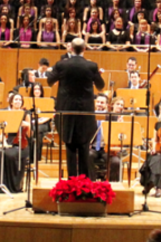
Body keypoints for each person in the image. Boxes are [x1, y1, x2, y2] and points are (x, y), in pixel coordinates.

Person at [47, 38, 105, 179]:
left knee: (70, 147)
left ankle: (71, 181)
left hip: (67, 112)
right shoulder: (91, 66)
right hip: (85, 113)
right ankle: (84, 183)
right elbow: (101, 86)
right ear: (84, 49)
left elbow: (49, 82)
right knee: (84, 146)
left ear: (71, 49)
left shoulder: (61, 65)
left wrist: (52, 71)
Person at [0, 93, 31, 193]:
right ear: (11, 102)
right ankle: (0, 185)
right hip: (7, 140)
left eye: (20, 100)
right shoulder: (6, 114)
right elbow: (0, 130)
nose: (18, 102)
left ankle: (13, 186)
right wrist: (3, 141)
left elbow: (30, 135)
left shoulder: (25, 114)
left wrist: (28, 125)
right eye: (16, 100)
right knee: (1, 154)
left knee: (10, 155)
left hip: (21, 143)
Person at [89, 94, 121, 182]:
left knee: (116, 162)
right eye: (98, 102)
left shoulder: (113, 117)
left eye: (102, 102)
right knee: (87, 156)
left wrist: (120, 125)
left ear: (107, 105)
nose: (99, 104)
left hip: (107, 148)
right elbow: (84, 132)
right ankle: (91, 183)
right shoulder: (90, 116)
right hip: (93, 147)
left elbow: (118, 135)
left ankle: (111, 186)